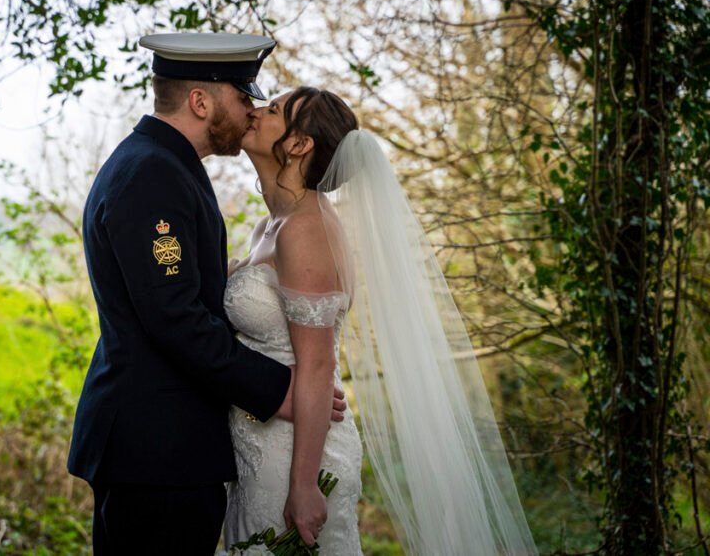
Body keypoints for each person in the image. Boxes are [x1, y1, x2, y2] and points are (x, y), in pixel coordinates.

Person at [223, 87, 538, 555]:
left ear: (298, 144)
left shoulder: (305, 229)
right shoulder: (271, 224)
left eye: (273, 110)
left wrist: (305, 486)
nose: (255, 110)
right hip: (261, 443)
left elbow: (317, 366)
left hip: (296, 456)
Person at [67, 35, 347, 556]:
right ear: (201, 102)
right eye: (243, 98)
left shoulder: (160, 165)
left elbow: (177, 289)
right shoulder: (153, 173)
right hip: (157, 449)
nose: (251, 111)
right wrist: (275, 388)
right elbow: (174, 317)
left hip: (164, 450)